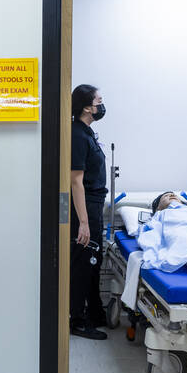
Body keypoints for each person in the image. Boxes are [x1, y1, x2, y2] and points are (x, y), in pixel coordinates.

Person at [69, 84, 108, 340]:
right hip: (86, 207)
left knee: (94, 260)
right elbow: (75, 180)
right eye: (98, 101)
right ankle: (78, 319)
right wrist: (83, 222)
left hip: (94, 204)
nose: (102, 105)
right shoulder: (77, 135)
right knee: (83, 262)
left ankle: (93, 312)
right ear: (86, 107)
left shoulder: (88, 133)